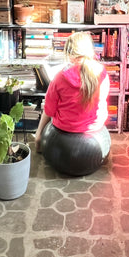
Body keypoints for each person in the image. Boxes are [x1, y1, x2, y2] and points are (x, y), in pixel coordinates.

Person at [34, 31, 111, 175]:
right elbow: (102, 101)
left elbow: (49, 110)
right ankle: (101, 157)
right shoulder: (102, 72)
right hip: (94, 134)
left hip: (63, 137)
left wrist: (39, 135)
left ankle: (39, 138)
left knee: (51, 113)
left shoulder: (59, 77)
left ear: (69, 54)